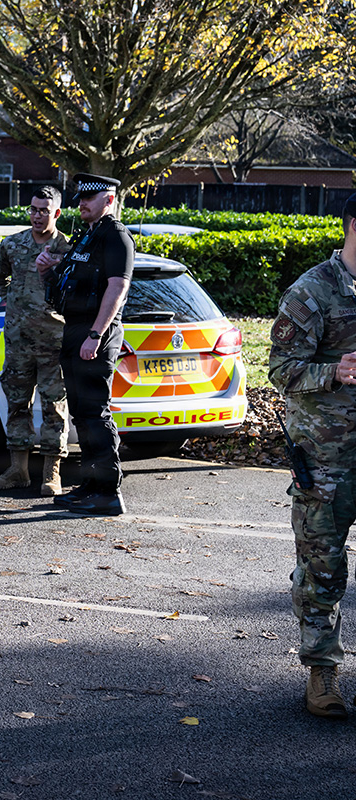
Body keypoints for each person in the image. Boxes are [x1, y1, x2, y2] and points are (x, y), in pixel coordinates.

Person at [267, 191, 356, 719]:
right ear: (350, 225)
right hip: (327, 460)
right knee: (323, 566)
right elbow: (280, 369)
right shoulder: (313, 292)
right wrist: (335, 371)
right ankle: (321, 673)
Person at [36, 173, 133, 516]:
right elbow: (70, 284)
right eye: (79, 200)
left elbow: (117, 288)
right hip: (75, 331)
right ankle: (91, 485)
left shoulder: (116, 237)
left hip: (96, 334)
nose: (81, 205)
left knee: (95, 413)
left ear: (108, 200)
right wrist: (49, 271)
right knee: (81, 413)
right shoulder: (87, 237)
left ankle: (107, 490)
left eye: (88, 199)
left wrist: (96, 334)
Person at [0, 186, 71, 496]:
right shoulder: (12, 244)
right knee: (17, 404)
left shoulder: (67, 249)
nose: (37, 216)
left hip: (54, 341)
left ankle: (52, 474)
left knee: (54, 408)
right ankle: (17, 469)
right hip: (19, 341)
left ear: (56, 213)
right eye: (33, 209)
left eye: (44, 211)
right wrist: (14, 303)